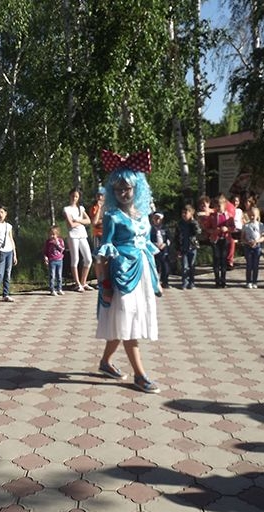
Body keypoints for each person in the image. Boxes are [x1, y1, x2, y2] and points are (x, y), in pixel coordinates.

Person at [94, 149, 160, 394]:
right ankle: (140, 376)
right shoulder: (112, 216)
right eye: (118, 189)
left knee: (124, 321)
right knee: (129, 321)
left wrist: (156, 280)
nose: (123, 193)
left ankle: (105, 362)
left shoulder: (143, 216)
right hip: (121, 275)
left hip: (141, 274)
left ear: (137, 188)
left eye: (127, 188)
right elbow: (103, 252)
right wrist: (104, 284)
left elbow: (147, 248)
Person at [63, 188, 93, 291]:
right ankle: (77, 283)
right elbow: (70, 224)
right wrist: (81, 222)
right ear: (70, 196)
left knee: (88, 259)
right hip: (73, 235)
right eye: (73, 196)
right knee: (75, 259)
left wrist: (78, 220)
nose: (74, 198)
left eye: (76, 196)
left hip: (82, 234)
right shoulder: (67, 209)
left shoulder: (81, 208)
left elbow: (88, 220)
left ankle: (83, 282)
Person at [204, 195, 235, 288]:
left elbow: (233, 227)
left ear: (224, 205)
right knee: (216, 259)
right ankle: (217, 281)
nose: (218, 208)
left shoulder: (229, 216)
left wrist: (227, 229)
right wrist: (214, 231)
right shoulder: (212, 216)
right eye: (216, 206)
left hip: (225, 239)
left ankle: (223, 280)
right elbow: (207, 228)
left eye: (219, 205)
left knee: (223, 260)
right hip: (215, 240)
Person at [175, 204, 201, 290]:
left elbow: (198, 232)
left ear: (191, 213)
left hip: (192, 247)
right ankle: (184, 282)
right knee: (184, 266)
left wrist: (193, 222)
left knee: (192, 266)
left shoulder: (194, 223)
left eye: (186, 213)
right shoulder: (180, 224)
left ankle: (192, 282)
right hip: (183, 247)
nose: (184, 215)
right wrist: (177, 248)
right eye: (183, 213)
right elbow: (176, 236)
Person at [240, 207, 264, 289]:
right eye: (250, 215)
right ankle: (248, 281)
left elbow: (263, 237)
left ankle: (255, 281)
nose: (252, 217)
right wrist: (247, 242)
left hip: (257, 247)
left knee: (255, 265)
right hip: (248, 247)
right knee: (249, 265)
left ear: (257, 215)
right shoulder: (246, 225)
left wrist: (256, 241)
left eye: (253, 215)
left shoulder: (260, 225)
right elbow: (242, 238)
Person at [43, 225, 65, 295]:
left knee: (59, 275)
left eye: (53, 234)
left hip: (59, 260)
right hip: (52, 260)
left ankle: (59, 288)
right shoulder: (48, 242)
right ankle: (52, 289)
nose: (52, 236)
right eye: (50, 234)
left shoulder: (60, 241)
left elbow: (62, 249)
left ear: (57, 234)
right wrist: (46, 257)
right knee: (52, 275)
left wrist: (57, 243)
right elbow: (45, 251)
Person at [150, 212, 170, 289]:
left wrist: (165, 244)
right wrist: (154, 244)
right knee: (156, 266)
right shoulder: (150, 229)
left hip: (164, 249)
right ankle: (155, 282)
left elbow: (169, 238)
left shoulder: (165, 228)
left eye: (158, 219)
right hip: (154, 249)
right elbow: (148, 239)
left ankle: (165, 281)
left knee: (165, 265)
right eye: (155, 218)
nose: (157, 220)